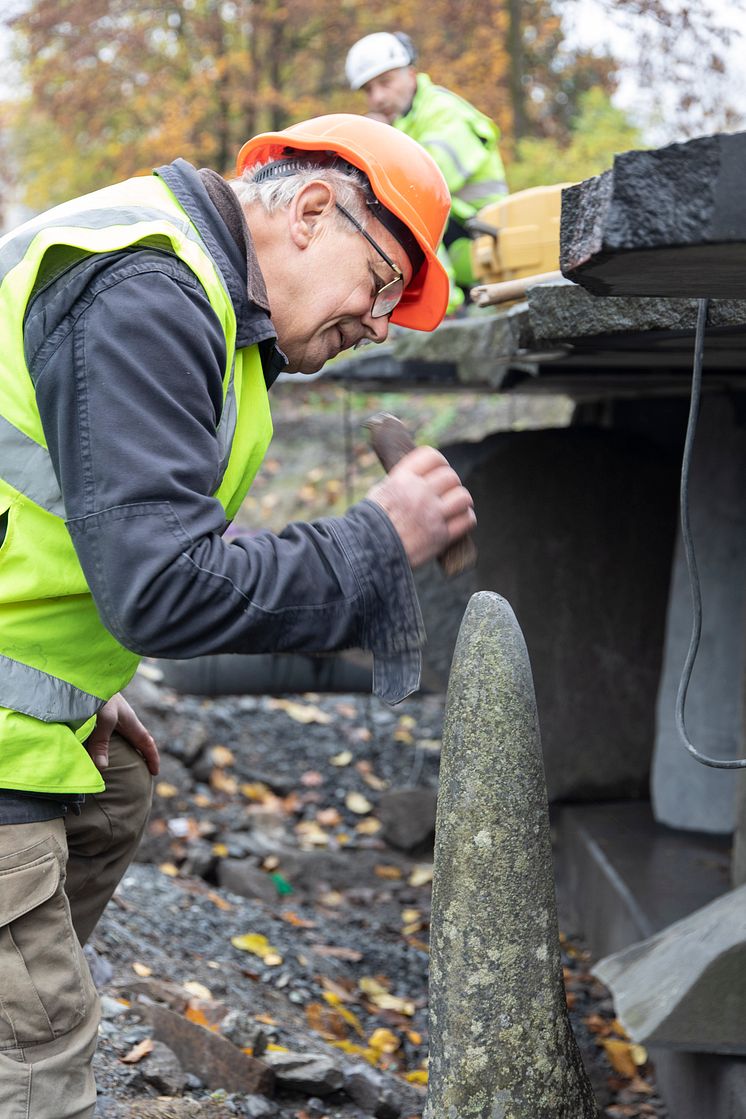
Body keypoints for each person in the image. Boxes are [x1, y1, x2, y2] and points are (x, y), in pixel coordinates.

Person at [0, 113, 476, 1117]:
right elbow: (162, 583)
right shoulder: (144, 291)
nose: (379, 324)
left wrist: (70, 690)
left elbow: (85, 531)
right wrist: (377, 541)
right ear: (311, 211)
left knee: (114, 792)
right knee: (43, 1048)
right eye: (384, 283)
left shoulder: (209, 307)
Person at [345, 31, 509, 312]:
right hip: (469, 244)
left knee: (404, 208)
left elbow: (423, 186)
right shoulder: (403, 125)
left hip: (491, 242)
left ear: (411, 73)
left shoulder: (445, 113)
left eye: (385, 82)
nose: (378, 97)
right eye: (369, 90)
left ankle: (442, 310)